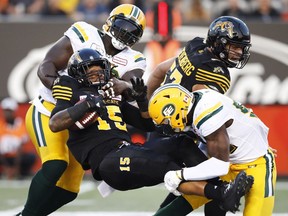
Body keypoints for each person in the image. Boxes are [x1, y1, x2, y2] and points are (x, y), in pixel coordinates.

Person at [49, 47, 252, 214]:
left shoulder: (110, 95)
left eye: (99, 70)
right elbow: (55, 123)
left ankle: (216, 204)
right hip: (108, 162)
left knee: (181, 145)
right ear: (77, 74)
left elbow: (146, 124)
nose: (97, 75)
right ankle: (221, 192)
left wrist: (141, 99)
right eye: (90, 72)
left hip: (128, 150)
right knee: (166, 165)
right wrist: (86, 105)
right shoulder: (71, 89)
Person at [17, 4, 146, 216]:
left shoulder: (134, 58)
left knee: (69, 190)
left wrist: (130, 88)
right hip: (51, 109)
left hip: (85, 121)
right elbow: (47, 65)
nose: (126, 34)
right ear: (110, 22)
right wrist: (62, 89)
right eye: (123, 26)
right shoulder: (83, 32)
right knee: (55, 164)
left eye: (133, 32)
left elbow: (132, 83)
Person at [143, 15, 252, 215]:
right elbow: (209, 117)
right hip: (178, 137)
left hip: (162, 130)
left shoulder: (195, 47)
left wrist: (149, 109)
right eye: (234, 46)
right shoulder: (216, 72)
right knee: (217, 181)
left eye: (240, 48)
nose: (238, 52)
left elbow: (158, 71)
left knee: (192, 181)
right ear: (219, 43)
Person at [148, 83, 276, 216]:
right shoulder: (195, 101)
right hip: (228, 161)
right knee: (184, 202)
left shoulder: (206, 114)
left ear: (174, 111)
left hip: (255, 164)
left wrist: (180, 174)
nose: (166, 127)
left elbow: (219, 166)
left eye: (165, 122)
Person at [0, 97, 35, 180]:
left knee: (31, 157)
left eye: (10, 111)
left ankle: (20, 173)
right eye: (6, 111)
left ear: (14, 111)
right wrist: (6, 168)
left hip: (17, 158)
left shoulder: (20, 124)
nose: (7, 113)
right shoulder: (1, 125)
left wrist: (16, 168)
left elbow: (21, 147)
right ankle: (6, 172)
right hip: (4, 158)